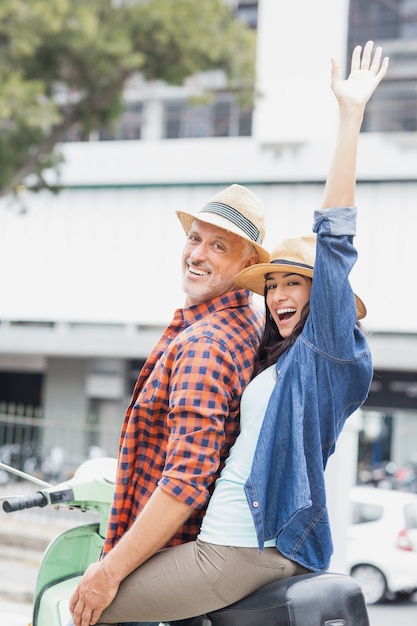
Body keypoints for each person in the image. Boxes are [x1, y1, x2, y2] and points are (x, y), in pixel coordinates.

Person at [69, 41, 388, 626]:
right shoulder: (266, 342)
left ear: (328, 299)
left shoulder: (325, 354)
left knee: (85, 606)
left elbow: (335, 241)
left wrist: (350, 117)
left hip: (240, 549)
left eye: (299, 283)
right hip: (233, 545)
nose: (283, 294)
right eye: (275, 284)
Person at [67, 182, 269, 626]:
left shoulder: (207, 342)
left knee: (80, 607)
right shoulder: (247, 326)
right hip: (207, 547)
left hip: (172, 548)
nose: (197, 254)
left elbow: (186, 479)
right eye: (194, 238)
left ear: (248, 263)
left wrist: (110, 571)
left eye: (219, 246)